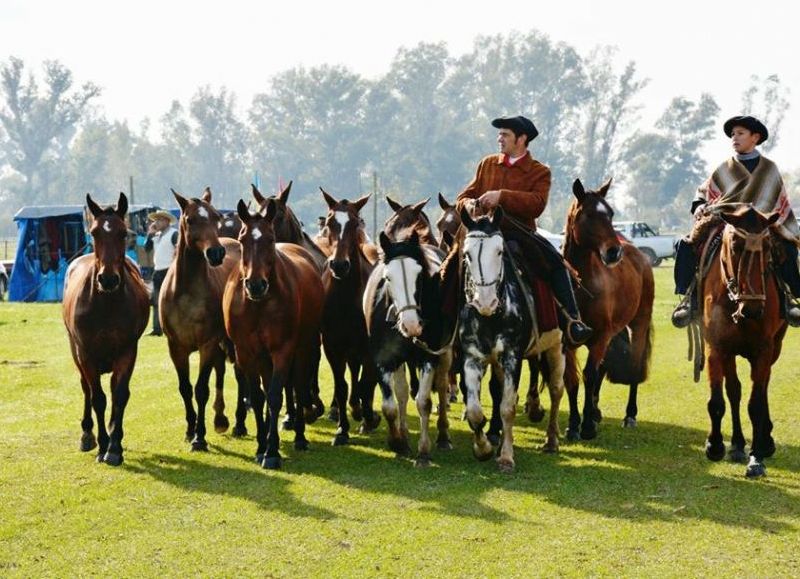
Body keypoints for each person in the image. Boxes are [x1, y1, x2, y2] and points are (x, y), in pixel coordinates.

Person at [453, 115, 593, 346]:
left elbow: (537, 204)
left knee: (556, 263)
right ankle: (443, 324)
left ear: (522, 139)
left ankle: (572, 320)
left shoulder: (540, 172)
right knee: (448, 267)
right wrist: (469, 205)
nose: (499, 139)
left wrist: (501, 197)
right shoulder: (486, 163)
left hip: (519, 235)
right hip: (480, 235)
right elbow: (463, 198)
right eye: (499, 134)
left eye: (505, 135)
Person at [672, 115, 800, 328]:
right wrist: (700, 205)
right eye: (733, 134)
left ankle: (790, 298)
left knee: (787, 246)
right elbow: (704, 191)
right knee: (685, 245)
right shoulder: (724, 168)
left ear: (755, 137)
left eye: (740, 133)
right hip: (725, 220)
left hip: (762, 224)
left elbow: (779, 202)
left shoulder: (770, 169)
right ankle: (690, 299)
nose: (735, 138)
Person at [144, 210, 178, 336]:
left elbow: (178, 248)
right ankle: (157, 328)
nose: (156, 223)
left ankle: (174, 327)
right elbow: (147, 248)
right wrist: (150, 234)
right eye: (155, 220)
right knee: (156, 300)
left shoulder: (174, 233)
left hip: (169, 270)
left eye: (160, 220)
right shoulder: (156, 236)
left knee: (172, 300)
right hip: (158, 270)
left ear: (167, 221)